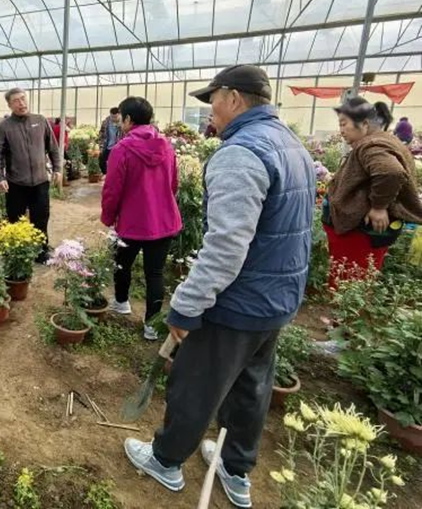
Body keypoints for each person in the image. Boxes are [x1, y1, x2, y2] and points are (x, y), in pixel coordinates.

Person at [123, 65, 315, 509]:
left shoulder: (241, 153)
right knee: (251, 386)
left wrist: (187, 305)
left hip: (237, 301)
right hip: (278, 297)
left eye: (212, 100)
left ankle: (166, 460)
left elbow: (226, 245)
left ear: (233, 98)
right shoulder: (291, 144)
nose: (210, 110)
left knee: (196, 383)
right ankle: (234, 467)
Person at [100, 97, 181, 341]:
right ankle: (152, 325)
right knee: (155, 273)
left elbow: (113, 189)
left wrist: (108, 216)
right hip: (164, 220)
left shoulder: (122, 149)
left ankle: (122, 302)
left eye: (122, 118)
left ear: (128, 119)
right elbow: (173, 183)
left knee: (122, 263)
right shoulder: (166, 146)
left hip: (133, 222)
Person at [323, 98, 422, 288]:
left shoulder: (371, 145)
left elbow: (390, 172)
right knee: (356, 281)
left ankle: (343, 309)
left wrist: (379, 207)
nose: (341, 130)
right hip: (361, 233)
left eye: (344, 124)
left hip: (358, 233)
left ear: (364, 124)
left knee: (349, 283)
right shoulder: (384, 140)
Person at [0, 88, 62, 263]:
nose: (21, 103)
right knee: (15, 219)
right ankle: (17, 253)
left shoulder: (40, 120)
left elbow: (53, 147)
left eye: (23, 98)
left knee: (41, 217)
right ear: (9, 105)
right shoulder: (4, 126)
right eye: (16, 101)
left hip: (40, 181)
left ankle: (41, 252)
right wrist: (0, 178)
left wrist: (58, 168)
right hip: (16, 183)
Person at [97, 107, 122, 175]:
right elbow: (101, 134)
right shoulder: (106, 122)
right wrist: (101, 146)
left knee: (116, 163)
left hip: (118, 147)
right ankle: (106, 174)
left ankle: (114, 176)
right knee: (101, 160)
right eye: (112, 117)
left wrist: (119, 127)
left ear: (119, 115)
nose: (113, 119)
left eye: (115, 117)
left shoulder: (123, 123)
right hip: (107, 146)